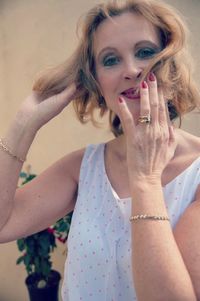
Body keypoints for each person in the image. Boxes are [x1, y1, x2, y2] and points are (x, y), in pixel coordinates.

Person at [0, 0, 200, 300]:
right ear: (96, 82)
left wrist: (145, 179)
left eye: (145, 52)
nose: (131, 70)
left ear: (168, 62)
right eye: (110, 60)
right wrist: (22, 125)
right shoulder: (84, 166)